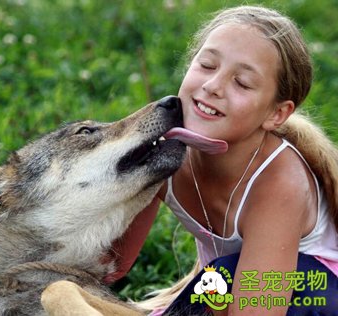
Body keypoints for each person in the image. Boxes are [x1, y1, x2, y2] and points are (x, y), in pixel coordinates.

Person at [103, 5, 338, 316]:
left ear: (276, 113)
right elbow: (111, 264)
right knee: (216, 281)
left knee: (220, 277)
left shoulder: (279, 183)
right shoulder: (166, 147)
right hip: (231, 289)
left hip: (318, 298)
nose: (213, 86)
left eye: (241, 83)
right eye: (207, 65)